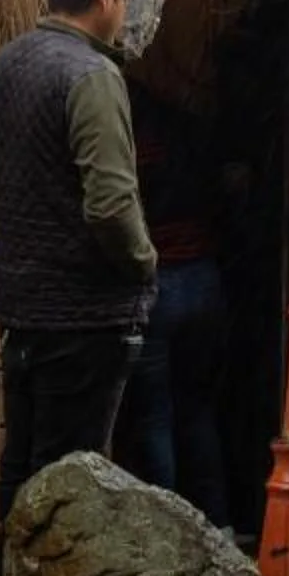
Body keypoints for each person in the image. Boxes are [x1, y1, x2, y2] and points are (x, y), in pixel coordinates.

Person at [0, 0, 159, 519]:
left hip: (21, 306)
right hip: (86, 315)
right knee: (71, 484)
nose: (125, 8)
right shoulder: (92, 76)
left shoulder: (6, 64)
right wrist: (144, 263)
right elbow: (110, 203)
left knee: (21, 465)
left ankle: (5, 571)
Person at [111, 84, 233, 529]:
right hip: (204, 277)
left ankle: (168, 532)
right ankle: (218, 523)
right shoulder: (185, 135)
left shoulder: (128, 146)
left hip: (157, 284)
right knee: (197, 409)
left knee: (153, 416)